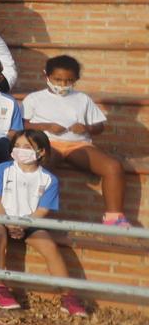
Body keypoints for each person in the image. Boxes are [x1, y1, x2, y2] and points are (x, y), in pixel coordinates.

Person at [0, 130, 88, 314]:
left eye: (27, 147)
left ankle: (68, 296)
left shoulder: (49, 179)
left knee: (49, 246)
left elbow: (42, 210)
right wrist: (8, 223)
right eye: (17, 146)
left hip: (29, 223)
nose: (20, 150)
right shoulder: (1, 170)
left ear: (41, 152)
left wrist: (23, 225)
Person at [21, 55, 129, 226]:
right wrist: (46, 126)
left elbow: (99, 126)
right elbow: (23, 123)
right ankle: (30, 214)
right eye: (57, 80)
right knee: (41, 167)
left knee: (113, 167)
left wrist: (87, 128)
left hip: (78, 145)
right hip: (49, 144)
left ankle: (114, 217)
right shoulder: (34, 99)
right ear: (46, 76)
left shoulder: (82, 99)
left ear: (76, 79)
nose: (63, 85)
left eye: (69, 81)